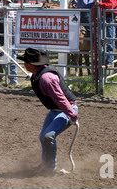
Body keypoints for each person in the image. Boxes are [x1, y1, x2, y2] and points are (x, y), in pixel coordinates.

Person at [19, 48, 78, 176]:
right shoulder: (39, 75)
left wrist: (72, 115)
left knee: (48, 136)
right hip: (56, 110)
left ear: (29, 64)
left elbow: (61, 100)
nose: (23, 64)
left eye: (25, 62)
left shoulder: (47, 78)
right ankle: (46, 164)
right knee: (43, 137)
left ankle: (50, 170)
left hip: (66, 110)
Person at [0, 0, 18, 85]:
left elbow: (4, 17)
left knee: (10, 61)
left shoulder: (6, 10)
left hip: (9, 41)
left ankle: (13, 80)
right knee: (5, 61)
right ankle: (12, 79)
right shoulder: (8, 11)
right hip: (6, 40)